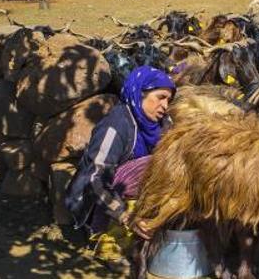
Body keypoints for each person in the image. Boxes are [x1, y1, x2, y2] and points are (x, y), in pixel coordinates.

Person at [64, 65, 176, 272]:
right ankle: (107, 243)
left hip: (136, 193)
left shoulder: (161, 125)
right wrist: (127, 216)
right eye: (160, 97)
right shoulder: (116, 125)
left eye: (168, 100)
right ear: (139, 93)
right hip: (99, 199)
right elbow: (95, 179)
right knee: (151, 165)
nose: (165, 105)